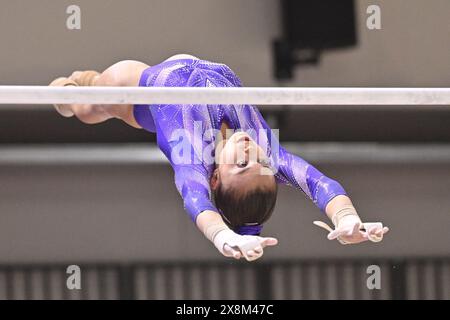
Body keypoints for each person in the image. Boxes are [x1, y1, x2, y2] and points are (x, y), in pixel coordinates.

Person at [49, 54, 389, 261]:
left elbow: (195, 199)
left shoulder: (191, 154)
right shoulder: (266, 149)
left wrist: (223, 236)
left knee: (95, 97)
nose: (250, 152)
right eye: (261, 164)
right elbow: (317, 182)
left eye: (241, 165)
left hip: (138, 88)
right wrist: (346, 218)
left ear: (214, 177)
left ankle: (71, 95)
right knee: (98, 90)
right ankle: (82, 87)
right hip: (176, 74)